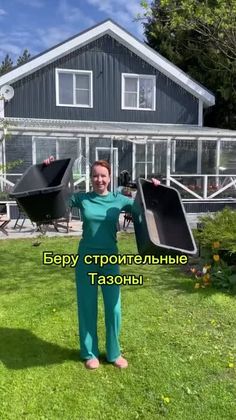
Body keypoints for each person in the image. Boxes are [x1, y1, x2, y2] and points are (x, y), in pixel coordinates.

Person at [44, 157, 160, 369]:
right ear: (91, 178)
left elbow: (143, 208)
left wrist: (154, 189)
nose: (99, 179)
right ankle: (90, 353)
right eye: (95, 175)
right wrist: (48, 171)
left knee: (113, 308)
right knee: (87, 306)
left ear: (109, 178)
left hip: (110, 259)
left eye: (103, 176)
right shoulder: (82, 199)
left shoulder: (120, 200)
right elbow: (56, 200)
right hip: (86, 259)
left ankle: (114, 353)